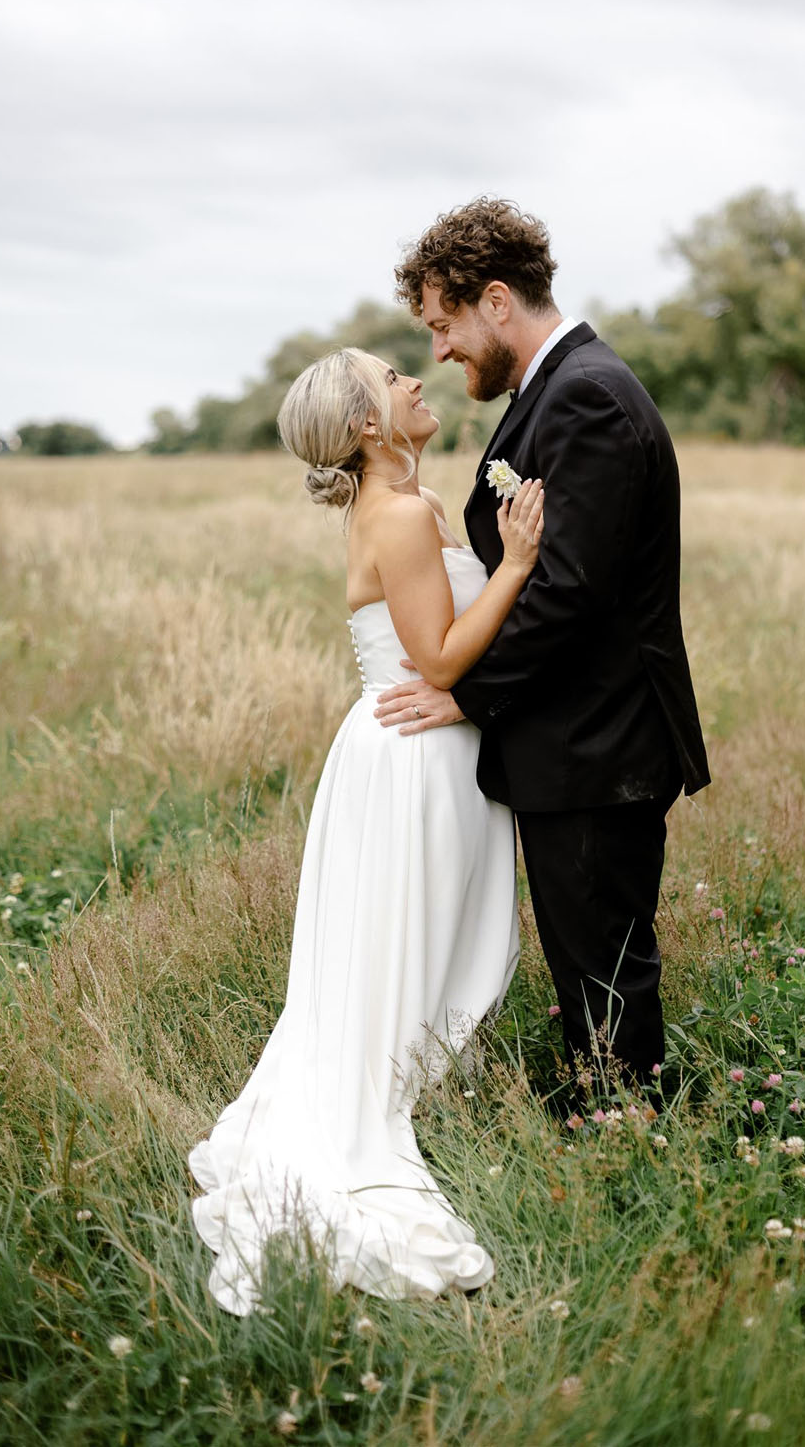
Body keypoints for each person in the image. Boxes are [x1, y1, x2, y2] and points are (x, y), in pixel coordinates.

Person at [188, 347, 544, 1315]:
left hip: (411, 749)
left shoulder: (402, 504)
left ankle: (421, 1081)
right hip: (411, 758)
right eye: (394, 376)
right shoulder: (394, 514)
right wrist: (515, 565)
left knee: (404, 940)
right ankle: (398, 1097)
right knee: (404, 939)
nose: (417, 380)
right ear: (364, 427)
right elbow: (436, 656)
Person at [376, 198, 710, 1097]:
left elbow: (570, 588)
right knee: (592, 954)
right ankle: (610, 1109)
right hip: (577, 735)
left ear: (494, 300)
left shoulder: (586, 395)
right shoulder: (558, 391)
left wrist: (468, 693)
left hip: (599, 738)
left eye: (445, 326)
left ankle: (623, 1128)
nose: (439, 352)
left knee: (604, 960)